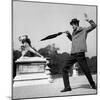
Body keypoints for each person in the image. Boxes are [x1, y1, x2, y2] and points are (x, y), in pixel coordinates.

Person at [61, 13, 97, 92]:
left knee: (86, 70)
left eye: (73, 24)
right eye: (71, 25)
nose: (72, 26)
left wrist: (88, 20)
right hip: (73, 54)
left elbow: (94, 26)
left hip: (80, 54)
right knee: (64, 69)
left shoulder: (84, 30)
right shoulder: (73, 32)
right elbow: (73, 41)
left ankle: (92, 84)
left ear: (76, 24)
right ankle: (67, 87)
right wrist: (69, 35)